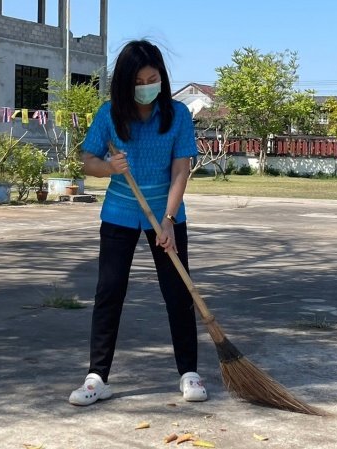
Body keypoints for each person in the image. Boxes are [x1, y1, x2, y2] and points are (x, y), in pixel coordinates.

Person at [69, 39, 207, 406]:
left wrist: (168, 221)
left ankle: (189, 373)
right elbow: (87, 161)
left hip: (166, 212)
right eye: (140, 80)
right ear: (126, 83)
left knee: (178, 293)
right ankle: (97, 377)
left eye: (153, 77)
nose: (148, 85)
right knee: (109, 291)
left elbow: (181, 169)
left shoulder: (177, 115)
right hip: (119, 213)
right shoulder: (109, 114)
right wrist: (107, 167)